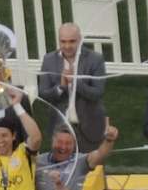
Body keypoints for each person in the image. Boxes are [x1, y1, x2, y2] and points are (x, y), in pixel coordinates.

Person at [37, 23, 108, 152]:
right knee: (62, 169)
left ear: (79, 39)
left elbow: (98, 92)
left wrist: (76, 82)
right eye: (63, 41)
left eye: (72, 41)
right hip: (60, 128)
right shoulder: (49, 60)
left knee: (91, 169)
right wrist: (62, 86)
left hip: (89, 127)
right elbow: (43, 94)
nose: (67, 46)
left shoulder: (95, 59)